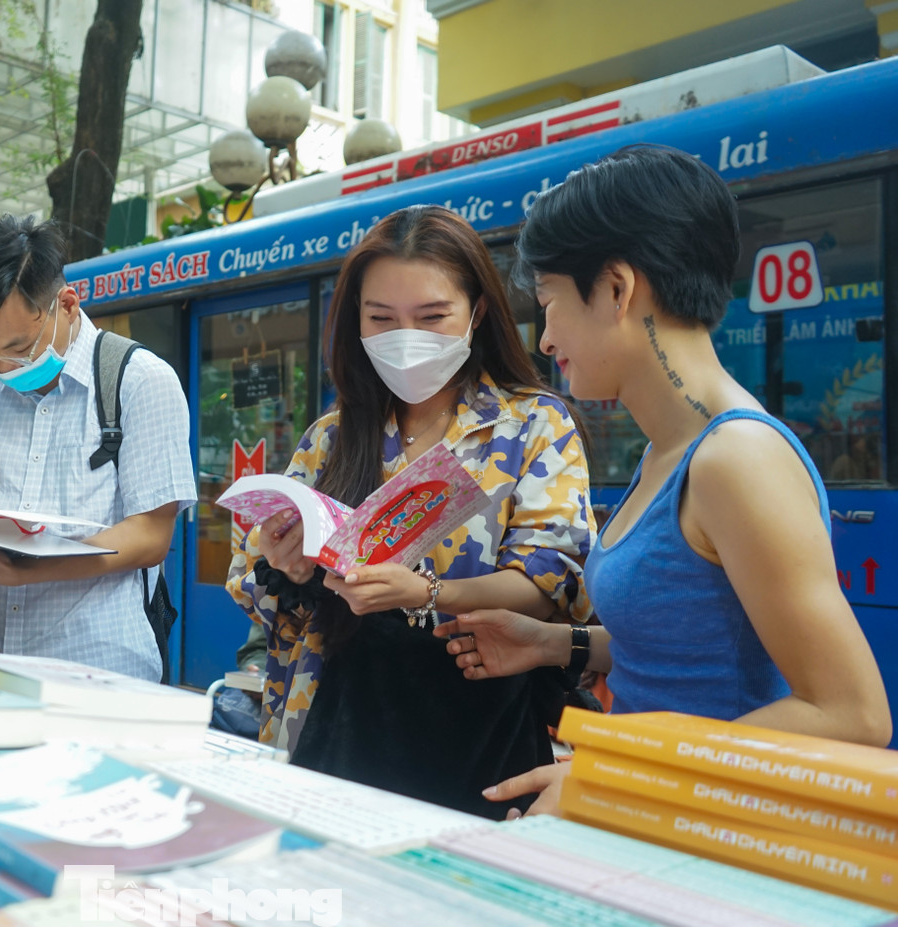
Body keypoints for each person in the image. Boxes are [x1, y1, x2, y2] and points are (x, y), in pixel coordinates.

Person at [434, 144, 892, 817]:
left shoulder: (735, 458)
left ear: (616, 289)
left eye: (550, 303)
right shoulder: (670, 451)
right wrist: (551, 643)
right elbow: (698, 638)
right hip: (656, 817)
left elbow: (851, 712)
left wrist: (620, 780)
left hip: (708, 839)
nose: (545, 340)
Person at [225, 205, 596, 818]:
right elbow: (255, 585)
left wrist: (425, 592)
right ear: (357, 324)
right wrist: (285, 565)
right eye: (381, 319)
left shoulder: (531, 425)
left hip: (475, 721)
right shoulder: (331, 438)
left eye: (432, 317)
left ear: (477, 311)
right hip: (331, 719)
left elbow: (551, 581)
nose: (407, 337)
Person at [0, 215, 195, 682]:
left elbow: (150, 536)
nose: (4, 367)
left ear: (66, 303)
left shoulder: (140, 381)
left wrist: (18, 572)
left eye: (20, 347)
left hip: (97, 669)